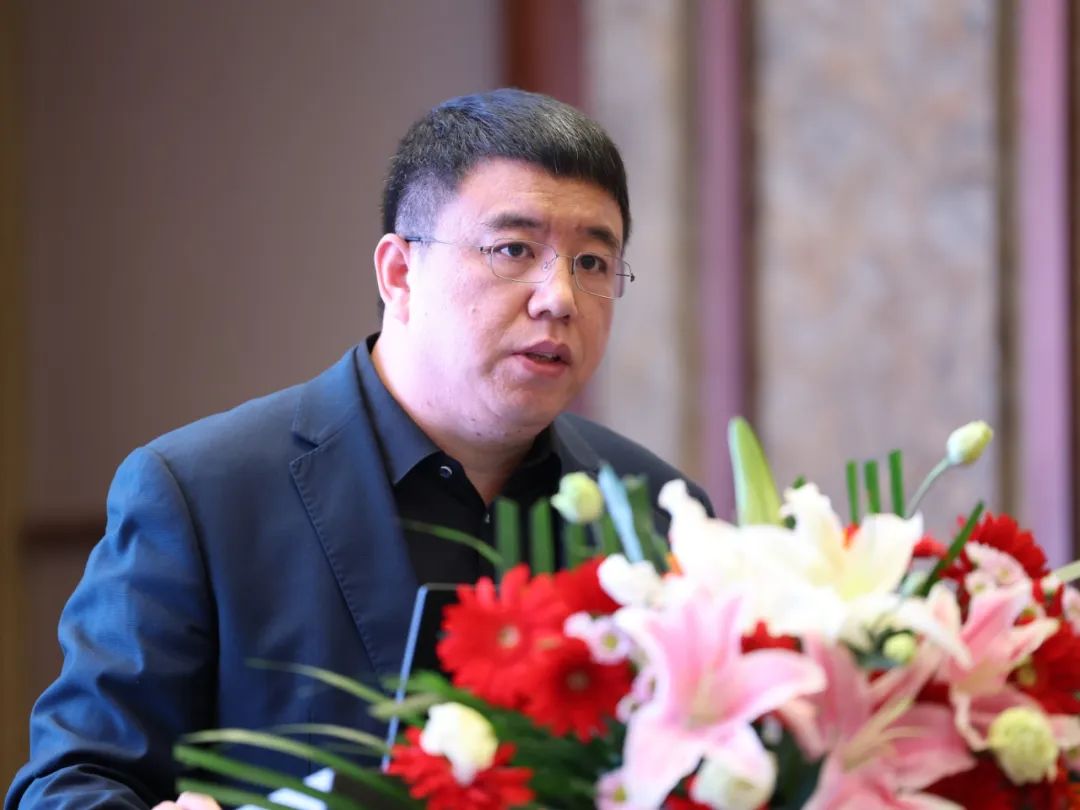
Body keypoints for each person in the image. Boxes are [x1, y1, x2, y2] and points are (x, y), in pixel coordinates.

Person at [6, 89, 712, 810]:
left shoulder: (655, 514)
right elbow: (69, 784)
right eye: (513, 250)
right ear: (399, 274)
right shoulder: (201, 494)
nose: (559, 297)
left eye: (592, 262)